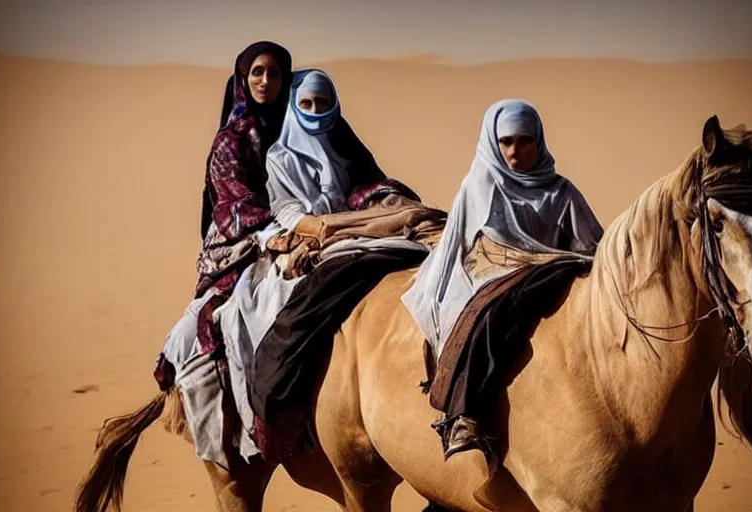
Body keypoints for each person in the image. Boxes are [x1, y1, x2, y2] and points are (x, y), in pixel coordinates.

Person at [215, 68, 444, 462]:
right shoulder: (279, 155)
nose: (316, 111)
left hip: (351, 236)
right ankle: (280, 410)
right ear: (294, 106)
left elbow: (367, 184)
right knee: (274, 309)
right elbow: (287, 212)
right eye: (306, 103)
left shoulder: (343, 143)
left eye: (323, 103)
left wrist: (380, 211)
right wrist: (325, 229)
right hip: (300, 241)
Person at [401, 98, 604, 460]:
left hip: (553, 275)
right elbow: (473, 244)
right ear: (493, 144)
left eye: (525, 141)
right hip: (489, 274)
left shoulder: (561, 190)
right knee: (488, 320)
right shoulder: (480, 184)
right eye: (506, 142)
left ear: (539, 142)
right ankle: (465, 414)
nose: (516, 151)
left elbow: (591, 245)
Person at [152, 41, 293, 469]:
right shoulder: (231, 141)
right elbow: (234, 204)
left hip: (301, 228)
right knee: (222, 318)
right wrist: (285, 227)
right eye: (256, 73)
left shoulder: (298, 126)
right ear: (242, 79)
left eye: (273, 73)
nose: (265, 82)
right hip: (240, 240)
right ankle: (232, 424)